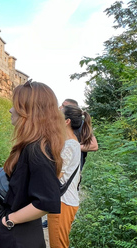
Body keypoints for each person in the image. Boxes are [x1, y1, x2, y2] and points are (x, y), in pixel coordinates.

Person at [0, 80, 66, 248]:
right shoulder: (33, 146)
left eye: (16, 106)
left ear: (30, 111)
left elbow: (47, 201)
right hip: (22, 232)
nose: (11, 109)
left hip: (20, 237)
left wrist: (10, 220)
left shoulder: (36, 150)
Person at [47, 105, 83, 248]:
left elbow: (56, 174)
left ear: (66, 121)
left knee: (58, 245)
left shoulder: (69, 145)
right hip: (67, 201)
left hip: (62, 202)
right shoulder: (72, 142)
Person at [60, 99, 98, 170]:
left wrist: (71, 147)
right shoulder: (59, 124)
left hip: (71, 171)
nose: (60, 107)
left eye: (64, 106)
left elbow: (94, 146)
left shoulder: (81, 125)